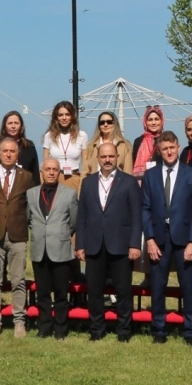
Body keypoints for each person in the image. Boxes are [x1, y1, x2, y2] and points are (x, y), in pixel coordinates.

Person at [140, 131, 192, 346]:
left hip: (184, 238)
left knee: (188, 287)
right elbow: (145, 208)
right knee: (158, 287)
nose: (169, 152)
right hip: (158, 237)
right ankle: (159, 330)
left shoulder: (191, 174)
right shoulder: (150, 175)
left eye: (172, 148)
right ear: (159, 150)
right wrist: (149, 239)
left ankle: (191, 332)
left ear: (178, 147)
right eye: (165, 149)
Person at [76, 142, 142, 341]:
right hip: (94, 244)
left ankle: (124, 331)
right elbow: (82, 215)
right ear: (97, 158)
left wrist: (134, 244)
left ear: (117, 158)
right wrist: (80, 244)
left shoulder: (129, 182)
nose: (107, 160)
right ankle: (96, 330)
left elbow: (136, 216)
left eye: (111, 156)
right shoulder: (88, 183)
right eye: (103, 156)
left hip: (120, 245)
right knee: (94, 291)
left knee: (123, 290)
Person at [0, 137, 34, 337]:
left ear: (17, 154)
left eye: (12, 151)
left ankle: (19, 322)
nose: (8, 154)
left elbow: (30, 205)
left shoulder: (27, 176)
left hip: (18, 235)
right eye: (5, 151)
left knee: (18, 281)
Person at [27, 156, 79, 339]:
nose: (51, 173)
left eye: (54, 170)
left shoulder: (69, 193)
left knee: (61, 293)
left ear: (59, 172)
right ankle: (44, 327)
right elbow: (29, 219)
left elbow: (74, 221)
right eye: (47, 169)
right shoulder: (31, 193)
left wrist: (60, 233)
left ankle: (60, 329)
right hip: (39, 249)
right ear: (41, 172)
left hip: (61, 249)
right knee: (42, 292)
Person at [42, 101, 87, 186]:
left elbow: (85, 163)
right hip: (54, 179)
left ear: (72, 116)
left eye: (67, 114)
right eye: (60, 115)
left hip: (74, 178)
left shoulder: (82, 135)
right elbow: (45, 162)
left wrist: (83, 180)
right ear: (56, 117)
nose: (64, 118)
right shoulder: (49, 136)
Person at [83, 112, 131, 176]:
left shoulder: (125, 146)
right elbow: (85, 172)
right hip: (95, 181)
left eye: (109, 122)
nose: (105, 125)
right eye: (102, 123)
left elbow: (128, 172)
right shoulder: (90, 146)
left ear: (115, 124)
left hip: (118, 181)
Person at [131, 106, 165, 177]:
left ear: (161, 121)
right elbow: (133, 162)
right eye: (150, 120)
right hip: (143, 180)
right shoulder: (138, 141)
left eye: (156, 119)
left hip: (162, 179)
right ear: (145, 122)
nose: (153, 123)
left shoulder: (166, 139)